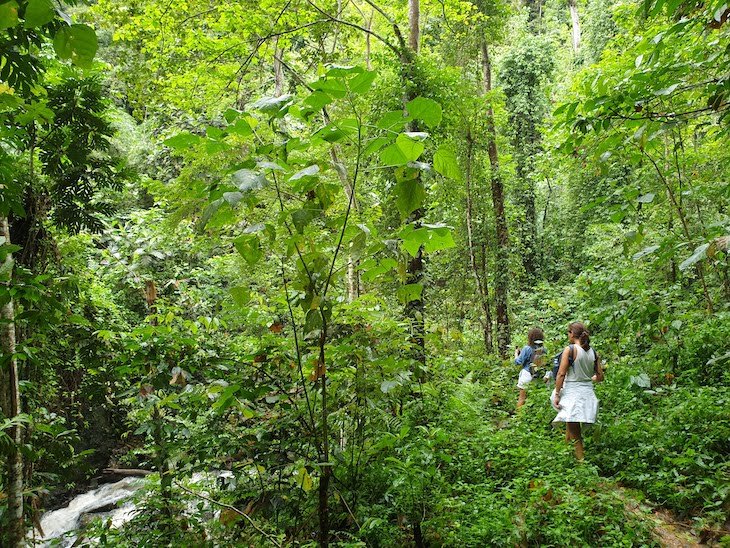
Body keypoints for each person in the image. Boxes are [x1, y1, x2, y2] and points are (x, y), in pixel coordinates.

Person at [552, 322, 604, 459]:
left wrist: (557, 394)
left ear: (571, 334)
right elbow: (600, 377)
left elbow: (561, 374)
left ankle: (581, 464)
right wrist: (586, 379)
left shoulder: (570, 350)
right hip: (587, 393)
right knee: (571, 424)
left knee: (576, 433)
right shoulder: (592, 352)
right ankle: (567, 455)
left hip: (573, 394)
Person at [514, 327, 545, 409]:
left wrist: (516, 354)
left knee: (522, 398)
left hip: (527, 374)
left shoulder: (527, 348)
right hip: (538, 375)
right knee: (534, 399)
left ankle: (518, 419)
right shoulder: (543, 350)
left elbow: (518, 362)